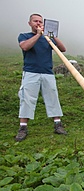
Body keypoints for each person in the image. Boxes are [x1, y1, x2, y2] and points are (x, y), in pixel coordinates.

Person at [15, 13, 67, 142]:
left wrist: (52, 35)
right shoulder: (24, 36)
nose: (38, 23)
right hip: (31, 72)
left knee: (53, 97)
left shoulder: (47, 38)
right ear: (30, 23)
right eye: (35, 21)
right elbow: (25, 47)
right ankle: (23, 128)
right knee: (26, 98)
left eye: (40, 21)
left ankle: (58, 124)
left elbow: (62, 49)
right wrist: (38, 35)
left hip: (47, 73)